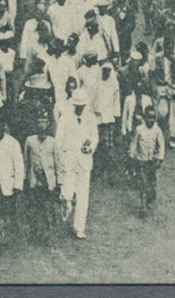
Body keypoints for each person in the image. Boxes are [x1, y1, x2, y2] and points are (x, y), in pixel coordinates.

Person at [59, 87, 100, 239]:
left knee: (83, 195)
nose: (79, 109)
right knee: (67, 192)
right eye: (77, 106)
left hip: (84, 161)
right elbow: (59, 139)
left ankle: (79, 228)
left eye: (81, 106)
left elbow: (95, 137)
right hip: (68, 160)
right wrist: (62, 157)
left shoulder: (90, 118)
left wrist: (89, 148)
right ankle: (67, 205)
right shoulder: (65, 117)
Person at [127, 104, 167, 211]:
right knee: (142, 183)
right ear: (144, 118)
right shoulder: (139, 129)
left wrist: (160, 158)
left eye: (153, 117)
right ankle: (143, 205)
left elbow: (162, 145)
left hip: (151, 162)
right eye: (149, 117)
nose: (151, 120)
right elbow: (134, 144)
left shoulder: (157, 130)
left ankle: (150, 200)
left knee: (151, 183)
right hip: (141, 161)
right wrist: (132, 156)